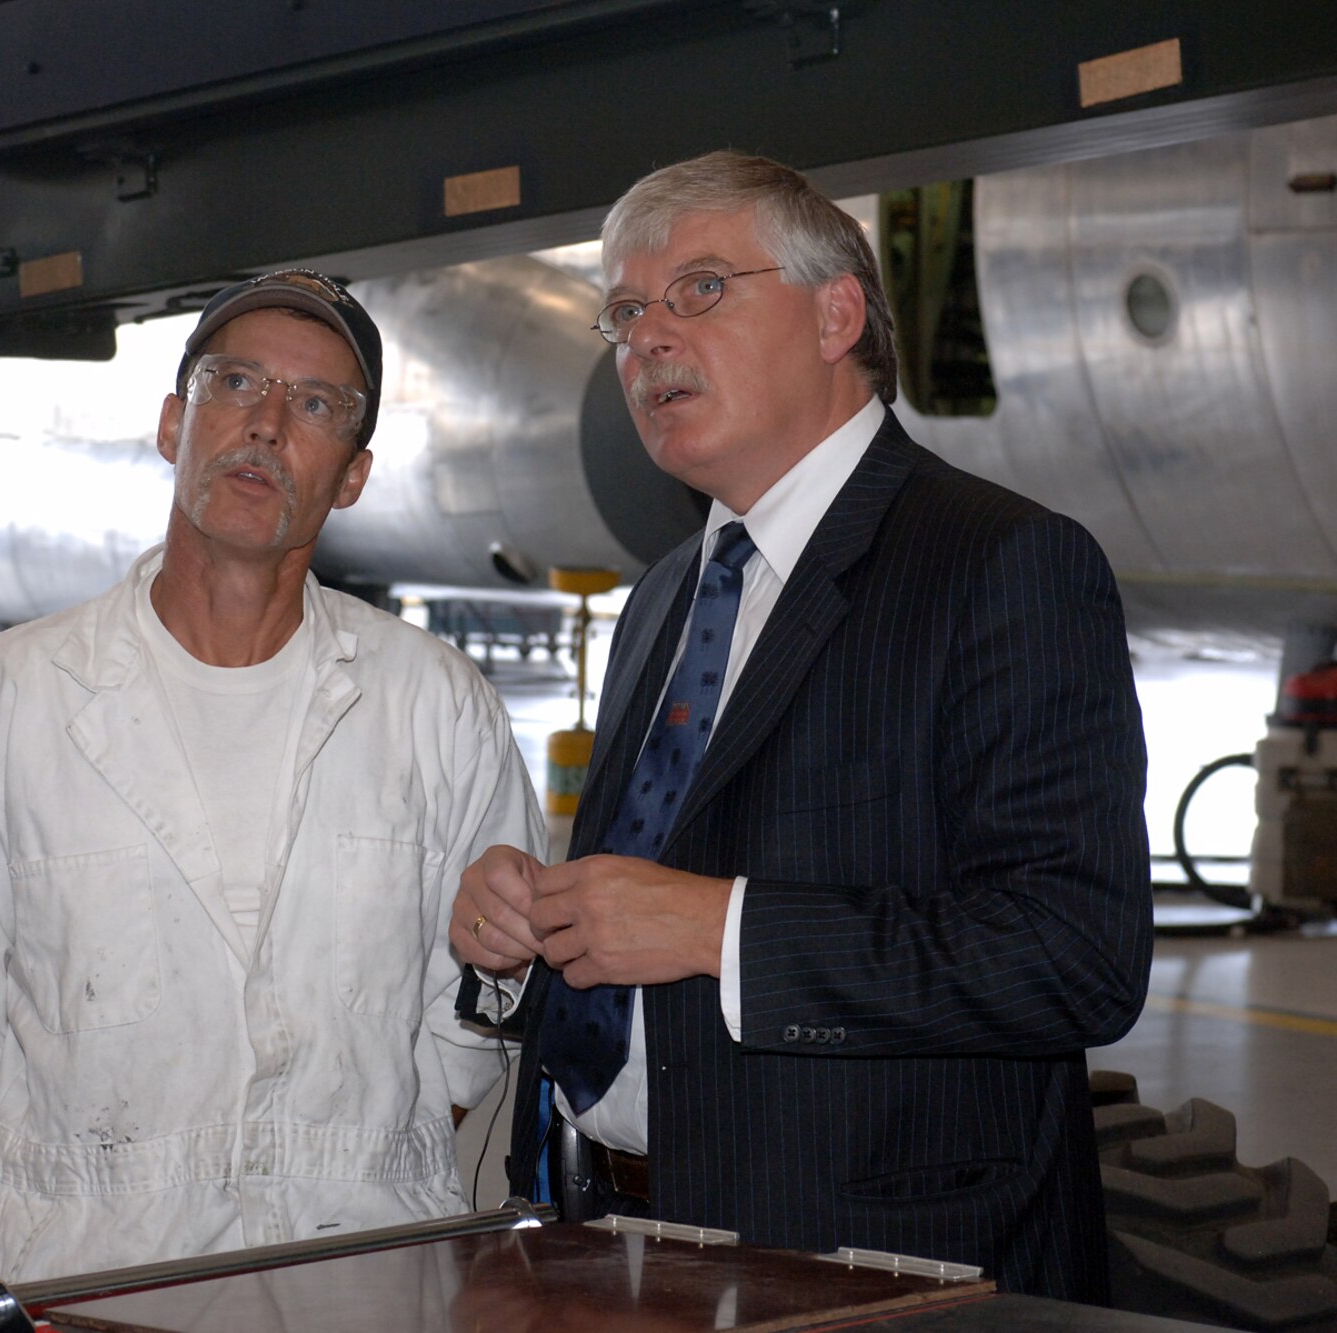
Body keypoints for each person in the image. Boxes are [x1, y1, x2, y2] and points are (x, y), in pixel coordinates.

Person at [454, 152, 1151, 1303]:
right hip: (606, 1239)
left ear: (836, 312)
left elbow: (1071, 954)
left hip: (863, 1270)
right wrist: (527, 934)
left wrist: (720, 930)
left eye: (700, 290)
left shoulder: (998, 562)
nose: (646, 340)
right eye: (624, 312)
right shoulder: (667, 595)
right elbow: (643, 935)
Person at [0, 269, 543, 1282]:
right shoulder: (9, 700)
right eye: (235, 385)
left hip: (358, 1259)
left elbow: (484, 988)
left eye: (316, 404)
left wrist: (374, 1141)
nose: (268, 426)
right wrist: (32, 1177)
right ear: (171, 423)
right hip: (99, 1267)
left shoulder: (433, 705)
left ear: (352, 474)